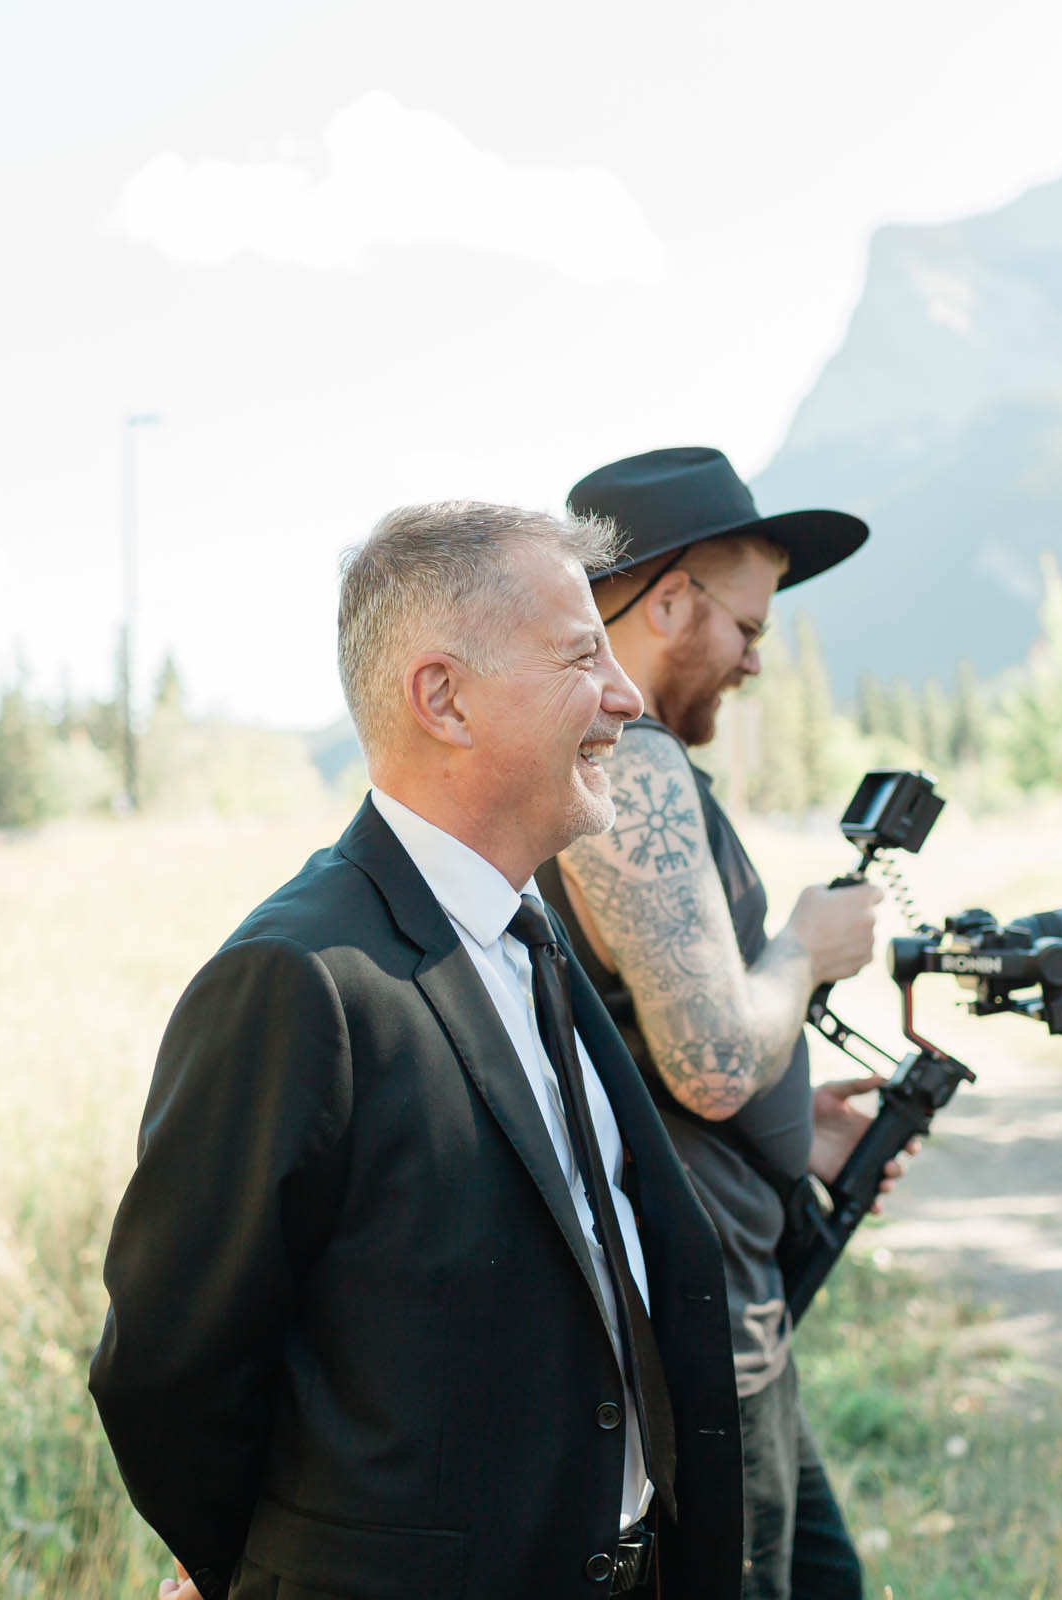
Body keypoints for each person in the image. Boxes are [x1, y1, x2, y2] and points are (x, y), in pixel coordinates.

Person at [90, 502, 744, 1600]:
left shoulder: (528, 940)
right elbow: (169, 1370)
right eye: (583, 655)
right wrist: (272, 1569)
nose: (625, 697)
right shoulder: (297, 981)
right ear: (442, 697)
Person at [534, 446, 887, 1600]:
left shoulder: (623, 761)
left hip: (737, 1295)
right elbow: (714, 1059)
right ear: (668, 597)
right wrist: (805, 946)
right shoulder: (629, 767)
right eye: (743, 626)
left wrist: (800, 1128)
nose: (751, 660)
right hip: (705, 1327)